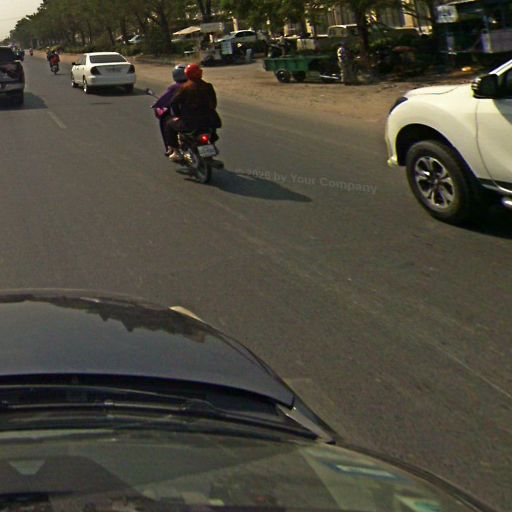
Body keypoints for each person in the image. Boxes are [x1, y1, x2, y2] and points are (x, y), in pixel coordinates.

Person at [169, 64, 222, 162]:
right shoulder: (208, 86)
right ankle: (212, 145)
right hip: (209, 121)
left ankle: (176, 151)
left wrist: (177, 115)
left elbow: (173, 103)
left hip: (190, 123)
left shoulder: (185, 87)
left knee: (169, 124)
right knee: (212, 130)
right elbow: (213, 104)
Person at [152, 64, 188, 158]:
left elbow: (164, 101)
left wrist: (156, 105)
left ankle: (174, 150)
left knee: (168, 124)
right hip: (205, 117)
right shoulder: (200, 85)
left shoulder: (175, 88)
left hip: (187, 118)